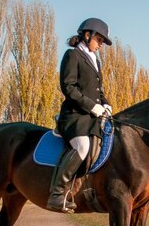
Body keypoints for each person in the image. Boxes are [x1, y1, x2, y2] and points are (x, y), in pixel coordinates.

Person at [47, 18, 113, 212]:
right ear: (87, 35)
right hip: (74, 116)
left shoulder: (95, 60)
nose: (101, 44)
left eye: (102, 41)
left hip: (92, 118)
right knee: (83, 146)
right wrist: (93, 107)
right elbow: (68, 87)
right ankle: (57, 193)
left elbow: (98, 91)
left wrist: (106, 104)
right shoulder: (72, 55)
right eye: (99, 39)